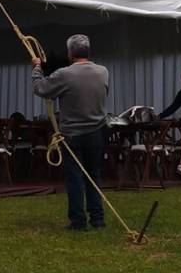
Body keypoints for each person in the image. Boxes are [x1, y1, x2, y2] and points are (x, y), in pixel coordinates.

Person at [30, 34, 109, 231]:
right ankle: (97, 219)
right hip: (97, 131)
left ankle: (78, 221)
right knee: (94, 175)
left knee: (75, 178)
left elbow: (40, 88)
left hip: (72, 134)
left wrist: (36, 68)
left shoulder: (65, 74)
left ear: (70, 53)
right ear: (88, 52)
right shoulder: (103, 71)